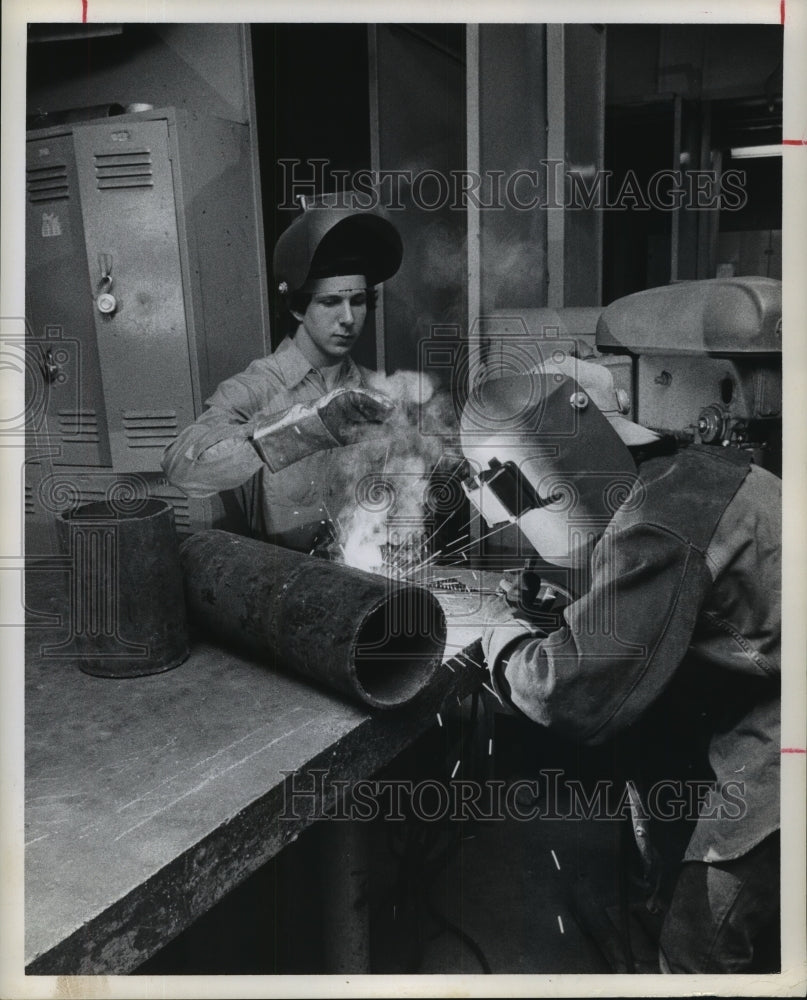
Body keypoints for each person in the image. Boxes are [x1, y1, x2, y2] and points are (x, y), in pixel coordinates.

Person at [460, 354, 781, 974]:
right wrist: (569, 618)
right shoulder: (684, 477)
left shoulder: (661, 519)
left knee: (700, 945)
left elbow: (571, 692)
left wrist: (498, 639)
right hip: (771, 685)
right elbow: (682, 613)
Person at [162, 204, 403, 554]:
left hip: (361, 578)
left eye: (359, 300)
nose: (349, 318)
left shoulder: (374, 390)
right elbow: (180, 468)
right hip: (283, 585)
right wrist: (301, 429)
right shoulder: (256, 387)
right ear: (297, 307)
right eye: (331, 302)